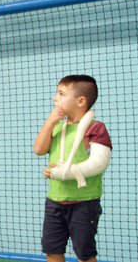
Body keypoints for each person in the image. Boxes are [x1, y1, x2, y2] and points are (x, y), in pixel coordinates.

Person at [33, 75, 112, 262]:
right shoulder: (57, 127)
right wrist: (50, 122)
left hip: (84, 202)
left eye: (61, 94)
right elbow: (39, 149)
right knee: (52, 250)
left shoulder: (96, 128)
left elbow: (100, 163)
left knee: (84, 254)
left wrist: (66, 172)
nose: (55, 98)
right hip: (55, 201)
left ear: (80, 101)